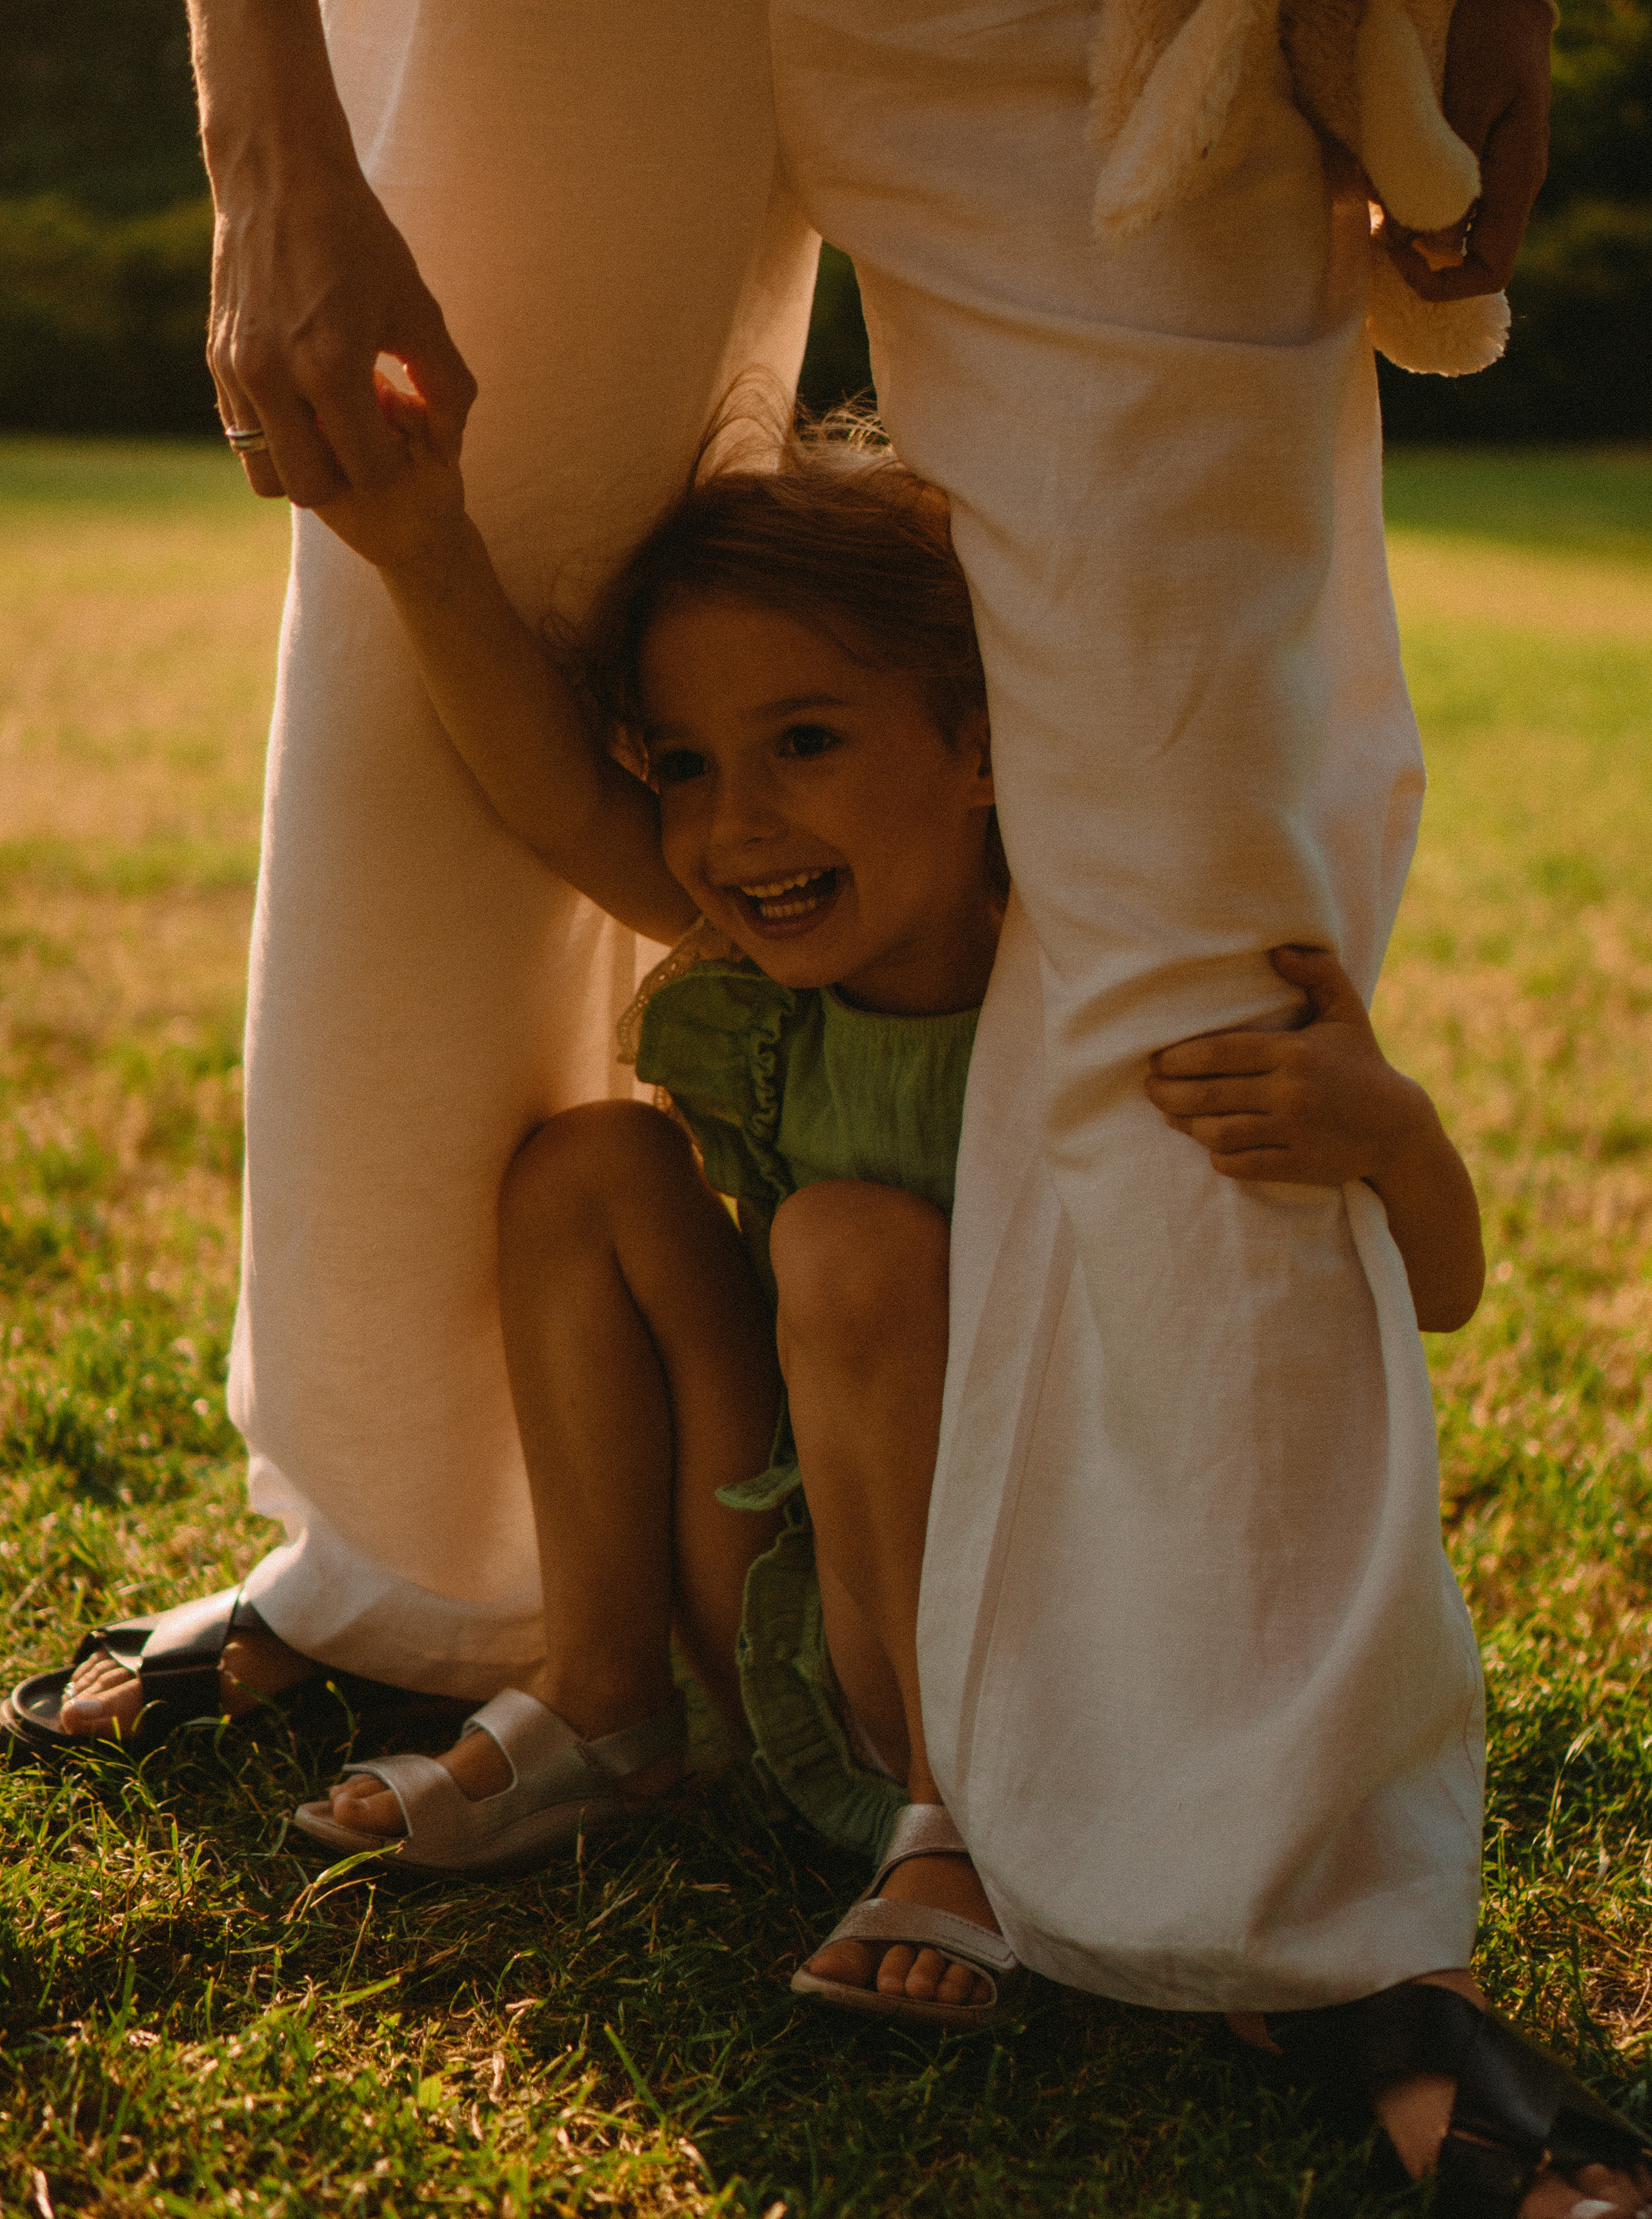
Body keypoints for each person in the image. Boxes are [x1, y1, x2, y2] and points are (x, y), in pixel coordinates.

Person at [19, 0, 1629, 2209]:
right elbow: (560, 786)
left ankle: (1277, 1867)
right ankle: (435, 1571)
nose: (742, 822)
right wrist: (266, 126)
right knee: (407, 635)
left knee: (1195, 850)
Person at [290, 395, 1483, 2038]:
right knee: (591, 1169)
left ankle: (959, 1829)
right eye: (689, 766)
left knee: (843, 1243)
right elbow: (565, 804)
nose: (736, 830)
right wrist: (421, 547)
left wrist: (1390, 1130)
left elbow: (1435, 1293)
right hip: (799, 1603)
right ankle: (608, 1698)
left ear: (983, 743)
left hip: (1029, 1634)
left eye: (806, 741)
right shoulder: (789, 976)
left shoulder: (1103, 994)